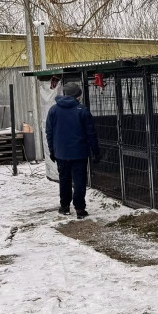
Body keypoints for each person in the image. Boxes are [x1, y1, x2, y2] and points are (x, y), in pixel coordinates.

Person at [45, 81, 100, 218]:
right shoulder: (82, 110)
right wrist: (96, 151)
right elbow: (91, 133)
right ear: (77, 96)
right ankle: (80, 209)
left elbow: (49, 133)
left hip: (61, 153)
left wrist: (52, 150)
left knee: (64, 180)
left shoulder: (53, 110)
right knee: (79, 181)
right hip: (79, 153)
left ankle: (64, 207)